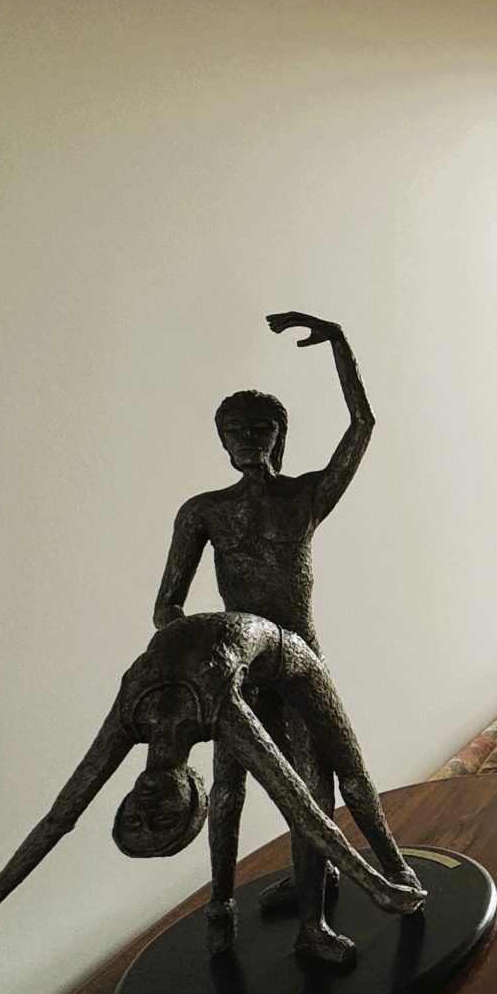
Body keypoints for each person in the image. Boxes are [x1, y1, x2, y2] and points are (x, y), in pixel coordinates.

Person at [0, 613, 426, 971]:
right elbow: (298, 805)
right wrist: (374, 888)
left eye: (134, 817)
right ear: (192, 797)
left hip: (279, 653)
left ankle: (386, 869)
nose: (148, 808)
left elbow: (60, 816)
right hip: (285, 666)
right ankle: (333, 908)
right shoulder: (216, 710)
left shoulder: (132, 713)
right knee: (329, 783)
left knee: (352, 778)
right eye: (163, 818)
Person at [153, 312, 372, 932]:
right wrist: (196, 656)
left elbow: (362, 426)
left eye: (260, 429)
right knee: (228, 788)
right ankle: (220, 904)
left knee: (314, 787)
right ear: (222, 441)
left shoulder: (304, 499)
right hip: (239, 668)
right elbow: (167, 605)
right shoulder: (203, 513)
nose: (248, 439)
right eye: (236, 431)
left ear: (279, 437)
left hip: (301, 664)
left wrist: (339, 344)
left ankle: (314, 923)